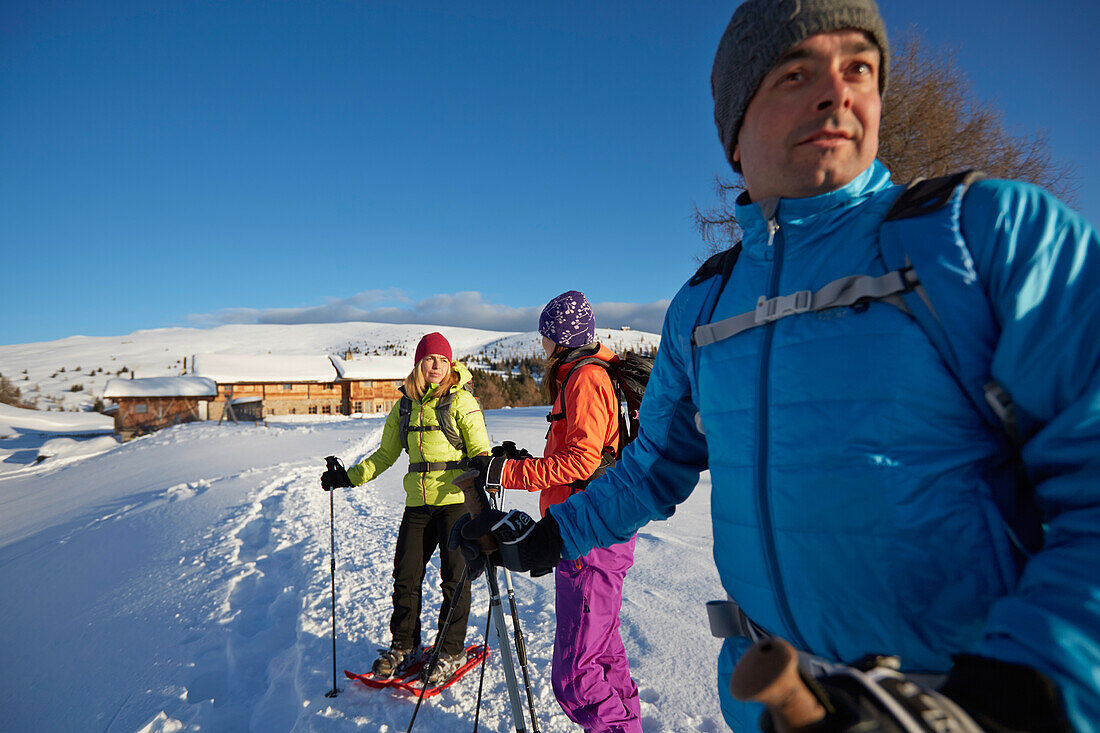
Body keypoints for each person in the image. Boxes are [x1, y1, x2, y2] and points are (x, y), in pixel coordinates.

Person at [452, 1, 1100, 731]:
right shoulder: (705, 306)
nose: (837, 91)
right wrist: (548, 537)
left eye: (859, 67)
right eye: (796, 72)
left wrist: (1026, 691)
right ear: (734, 132)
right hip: (772, 704)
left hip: (962, 707)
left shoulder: (986, 238)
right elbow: (649, 469)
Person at [471, 290, 643, 733]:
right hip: (601, 526)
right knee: (604, 656)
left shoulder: (585, 378)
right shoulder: (591, 372)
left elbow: (582, 462)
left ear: (561, 339)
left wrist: (508, 472)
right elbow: (584, 454)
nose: (542, 346)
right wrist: (524, 460)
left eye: (546, 337)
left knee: (576, 679)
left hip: (587, 535)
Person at [322, 331, 490, 685]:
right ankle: (403, 646)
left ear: (451, 364)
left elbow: (480, 453)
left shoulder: (462, 403)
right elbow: (384, 455)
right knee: (406, 577)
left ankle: (450, 649)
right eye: (430, 359)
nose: (436, 366)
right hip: (418, 504)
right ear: (418, 363)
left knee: (454, 580)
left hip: (455, 503)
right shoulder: (404, 407)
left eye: (443, 360)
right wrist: (348, 478)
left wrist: (487, 481)